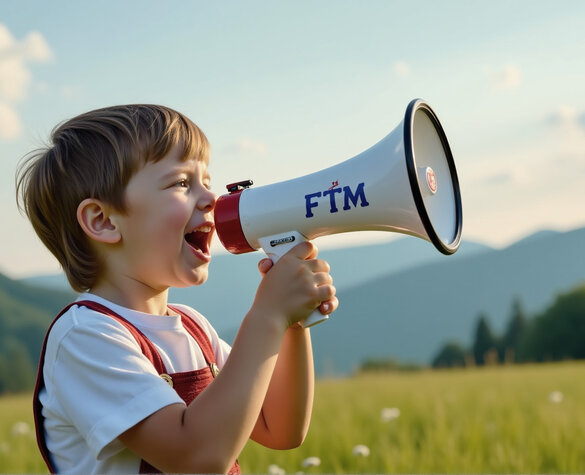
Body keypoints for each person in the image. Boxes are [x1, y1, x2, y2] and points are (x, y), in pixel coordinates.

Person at [16, 104, 337, 474]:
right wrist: (268, 315)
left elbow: (279, 428)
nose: (211, 200)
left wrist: (291, 322)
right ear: (103, 221)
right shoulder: (86, 337)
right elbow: (196, 458)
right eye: (182, 183)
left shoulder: (192, 327)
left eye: (207, 182)